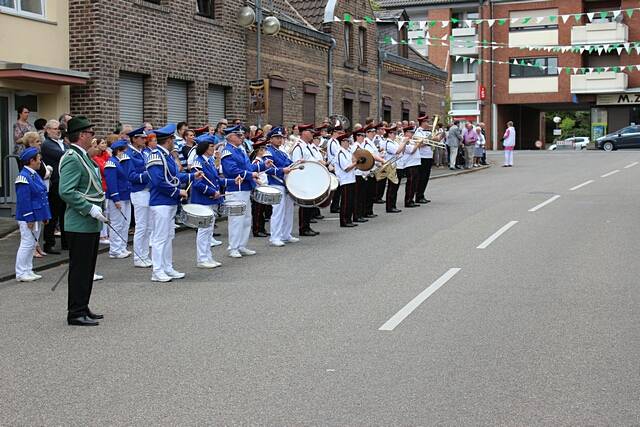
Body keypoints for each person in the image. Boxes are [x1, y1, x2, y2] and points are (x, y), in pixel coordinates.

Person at [58, 116, 107, 326]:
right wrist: (89, 208)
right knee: (80, 270)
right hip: (79, 222)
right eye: (91, 133)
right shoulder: (72, 157)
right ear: (82, 135)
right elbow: (66, 191)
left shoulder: (83, 156)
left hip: (88, 223)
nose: (93, 137)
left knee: (87, 269)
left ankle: (83, 306)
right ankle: (75, 312)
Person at [146, 124, 200, 282]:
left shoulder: (167, 156)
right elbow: (158, 182)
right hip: (161, 201)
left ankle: (167, 267)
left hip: (169, 201)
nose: (174, 142)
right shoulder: (156, 156)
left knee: (168, 236)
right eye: (172, 139)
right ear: (168, 140)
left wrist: (192, 176)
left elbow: (175, 175)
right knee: (160, 238)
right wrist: (178, 192)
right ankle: (157, 271)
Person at [220, 125, 275, 258]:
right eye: (238, 135)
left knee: (245, 219)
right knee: (236, 220)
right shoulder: (227, 151)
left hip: (244, 188)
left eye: (241, 135)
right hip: (235, 189)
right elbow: (231, 171)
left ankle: (242, 245)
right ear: (231, 137)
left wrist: (262, 165)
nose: (242, 137)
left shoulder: (240, 149)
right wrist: (250, 175)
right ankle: (233, 247)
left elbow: (249, 167)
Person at [191, 135, 239, 268]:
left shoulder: (210, 161)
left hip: (211, 199)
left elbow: (216, 180)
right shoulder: (198, 162)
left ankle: (208, 256)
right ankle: (202, 258)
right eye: (212, 146)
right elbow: (197, 184)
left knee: (208, 230)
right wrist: (212, 192)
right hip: (203, 199)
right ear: (205, 148)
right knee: (203, 230)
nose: (214, 148)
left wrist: (232, 181)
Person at [14, 147, 51, 282]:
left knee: (32, 243)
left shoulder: (33, 175)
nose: (40, 162)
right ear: (31, 161)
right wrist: (29, 217)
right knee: (27, 243)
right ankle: (20, 272)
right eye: (39, 160)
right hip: (28, 216)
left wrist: (45, 215)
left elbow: (42, 196)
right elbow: (24, 200)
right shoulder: (23, 177)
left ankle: (28, 269)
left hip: (37, 214)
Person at [124, 126, 152, 268]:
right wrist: (149, 174)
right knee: (141, 226)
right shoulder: (129, 154)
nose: (144, 140)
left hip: (147, 191)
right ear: (134, 139)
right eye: (141, 138)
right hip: (139, 191)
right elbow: (130, 176)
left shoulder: (142, 152)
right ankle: (139, 257)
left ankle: (145, 255)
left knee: (148, 227)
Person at [265, 127, 297, 246]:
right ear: (271, 139)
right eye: (277, 138)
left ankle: (286, 234)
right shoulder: (268, 152)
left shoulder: (282, 152)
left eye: (281, 138)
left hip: (286, 184)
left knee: (288, 210)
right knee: (278, 212)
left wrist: (298, 163)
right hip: (276, 184)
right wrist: (282, 170)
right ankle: (275, 237)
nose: (280, 140)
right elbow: (267, 169)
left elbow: (290, 164)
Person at [41, 120, 69, 254]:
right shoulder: (47, 144)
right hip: (54, 183)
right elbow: (64, 155)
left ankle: (66, 242)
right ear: (47, 130)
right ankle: (49, 243)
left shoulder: (63, 143)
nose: (58, 131)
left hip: (65, 182)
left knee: (65, 213)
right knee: (53, 214)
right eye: (55, 128)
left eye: (59, 128)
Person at [104, 140, 132, 259]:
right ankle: (115, 250)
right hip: (117, 197)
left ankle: (121, 247)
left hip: (125, 196)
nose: (125, 152)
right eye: (124, 150)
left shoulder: (119, 162)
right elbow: (111, 182)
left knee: (125, 223)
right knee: (117, 223)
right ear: (119, 151)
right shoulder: (111, 163)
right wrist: (116, 198)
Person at [290, 124, 320, 236]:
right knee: (304, 204)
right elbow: (297, 164)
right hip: (303, 178)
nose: (312, 134)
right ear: (303, 133)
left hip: (310, 177)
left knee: (309, 203)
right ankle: (303, 228)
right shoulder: (298, 147)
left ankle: (307, 226)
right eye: (310, 132)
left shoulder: (306, 146)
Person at [335, 132, 359, 227]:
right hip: (345, 180)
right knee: (345, 201)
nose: (349, 143)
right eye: (347, 141)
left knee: (350, 201)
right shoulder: (340, 153)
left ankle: (349, 219)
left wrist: (355, 163)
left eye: (349, 141)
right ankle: (344, 221)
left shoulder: (348, 151)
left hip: (351, 179)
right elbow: (346, 168)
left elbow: (352, 164)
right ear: (342, 142)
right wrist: (356, 163)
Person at [91, 137, 111, 246]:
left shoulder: (106, 155)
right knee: (102, 211)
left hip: (107, 186)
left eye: (105, 142)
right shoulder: (95, 158)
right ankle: (102, 235)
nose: (104, 145)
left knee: (106, 212)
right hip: (101, 187)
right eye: (102, 143)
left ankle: (106, 234)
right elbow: (104, 169)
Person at [363, 124, 385, 217]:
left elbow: (375, 154)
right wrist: (381, 160)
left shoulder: (371, 142)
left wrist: (380, 155)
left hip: (373, 169)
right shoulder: (366, 143)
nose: (373, 134)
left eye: (374, 132)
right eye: (371, 132)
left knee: (371, 191)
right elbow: (371, 155)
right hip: (368, 171)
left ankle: (369, 210)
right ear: (367, 133)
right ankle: (366, 211)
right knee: (368, 192)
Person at [381, 125, 404, 213]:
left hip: (397, 166)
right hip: (392, 167)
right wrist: (404, 142)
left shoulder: (394, 142)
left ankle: (393, 205)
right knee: (392, 187)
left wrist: (403, 143)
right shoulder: (388, 143)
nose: (395, 135)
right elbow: (397, 151)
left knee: (395, 187)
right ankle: (390, 206)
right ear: (389, 134)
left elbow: (401, 151)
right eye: (394, 133)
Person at [414, 116, 434, 204]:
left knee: (426, 177)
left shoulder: (427, 132)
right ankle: (418, 196)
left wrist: (439, 136)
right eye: (427, 122)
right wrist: (428, 141)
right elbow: (419, 144)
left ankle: (422, 194)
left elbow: (433, 141)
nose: (428, 124)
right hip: (422, 157)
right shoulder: (418, 132)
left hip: (429, 156)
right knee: (421, 177)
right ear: (422, 122)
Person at [401, 126, 421, 208]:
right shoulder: (405, 141)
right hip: (409, 164)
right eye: (411, 132)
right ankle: (408, 201)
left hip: (415, 163)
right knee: (411, 183)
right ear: (406, 133)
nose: (412, 134)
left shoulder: (411, 140)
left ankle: (411, 199)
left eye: (413, 132)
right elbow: (411, 151)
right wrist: (418, 144)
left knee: (414, 183)